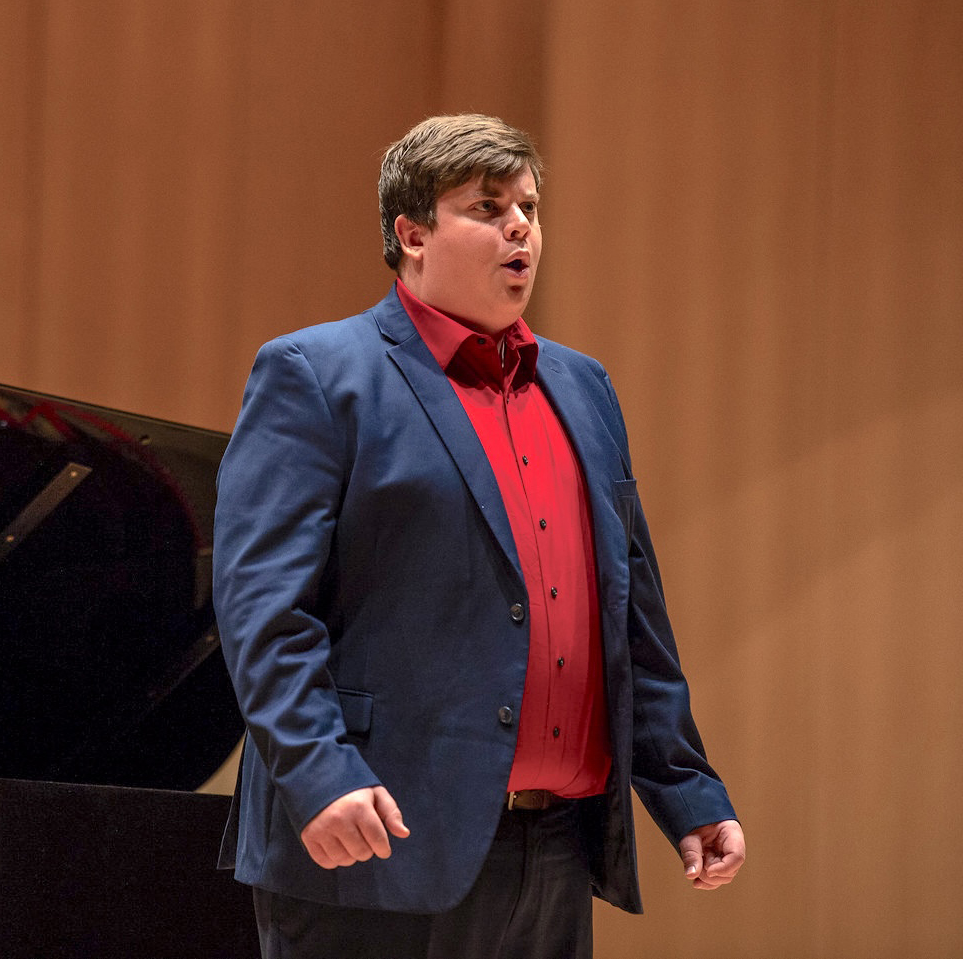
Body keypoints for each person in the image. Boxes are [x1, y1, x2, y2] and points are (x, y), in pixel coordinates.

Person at [213, 114, 744, 958]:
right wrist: (318, 774)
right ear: (412, 234)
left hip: (556, 854)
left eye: (529, 207)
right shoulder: (316, 374)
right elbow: (262, 610)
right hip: (375, 842)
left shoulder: (585, 386)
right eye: (488, 207)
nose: (520, 227)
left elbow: (628, 611)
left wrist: (685, 786)